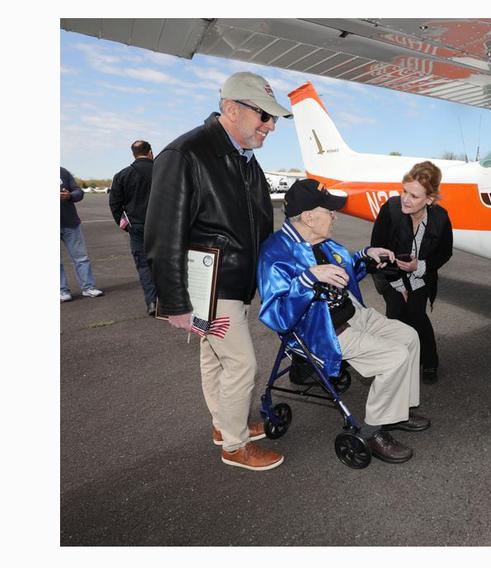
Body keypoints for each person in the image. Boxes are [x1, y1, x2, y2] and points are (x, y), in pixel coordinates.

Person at [145, 71, 291, 472]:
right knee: (242, 363)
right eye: (264, 115)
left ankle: (221, 425)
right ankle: (235, 445)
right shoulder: (186, 153)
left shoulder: (243, 158)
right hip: (210, 285)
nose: (271, 125)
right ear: (230, 108)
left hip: (234, 284)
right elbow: (162, 232)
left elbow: (258, 220)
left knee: (214, 359)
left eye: (274, 118)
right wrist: (175, 303)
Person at [258, 179, 430, 464]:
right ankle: (375, 431)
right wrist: (307, 279)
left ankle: (398, 412)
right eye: (329, 211)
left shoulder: (318, 240)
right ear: (310, 217)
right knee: (395, 356)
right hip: (320, 331)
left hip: (352, 314)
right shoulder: (275, 253)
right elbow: (276, 316)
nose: (335, 216)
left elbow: (341, 271)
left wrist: (365, 255)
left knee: (409, 336)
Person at [370, 161, 453, 384]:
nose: (406, 199)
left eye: (414, 196)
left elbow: (445, 253)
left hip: (421, 276)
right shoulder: (390, 209)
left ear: (429, 199)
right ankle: (396, 364)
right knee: (396, 313)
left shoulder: (441, 218)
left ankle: (430, 361)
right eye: (404, 191)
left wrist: (420, 266)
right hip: (389, 274)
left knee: (416, 314)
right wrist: (399, 285)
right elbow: (376, 249)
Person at [109, 140, 157, 315]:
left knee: (144, 265)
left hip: (137, 227)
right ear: (150, 152)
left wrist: (125, 226)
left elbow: (115, 205)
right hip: (163, 226)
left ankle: (152, 302)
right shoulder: (163, 171)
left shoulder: (122, 175)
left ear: (133, 154)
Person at [60, 166, 104, 302]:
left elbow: (79, 192)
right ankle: (62, 291)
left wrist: (70, 195)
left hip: (70, 223)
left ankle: (88, 287)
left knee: (81, 257)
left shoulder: (62, 172)